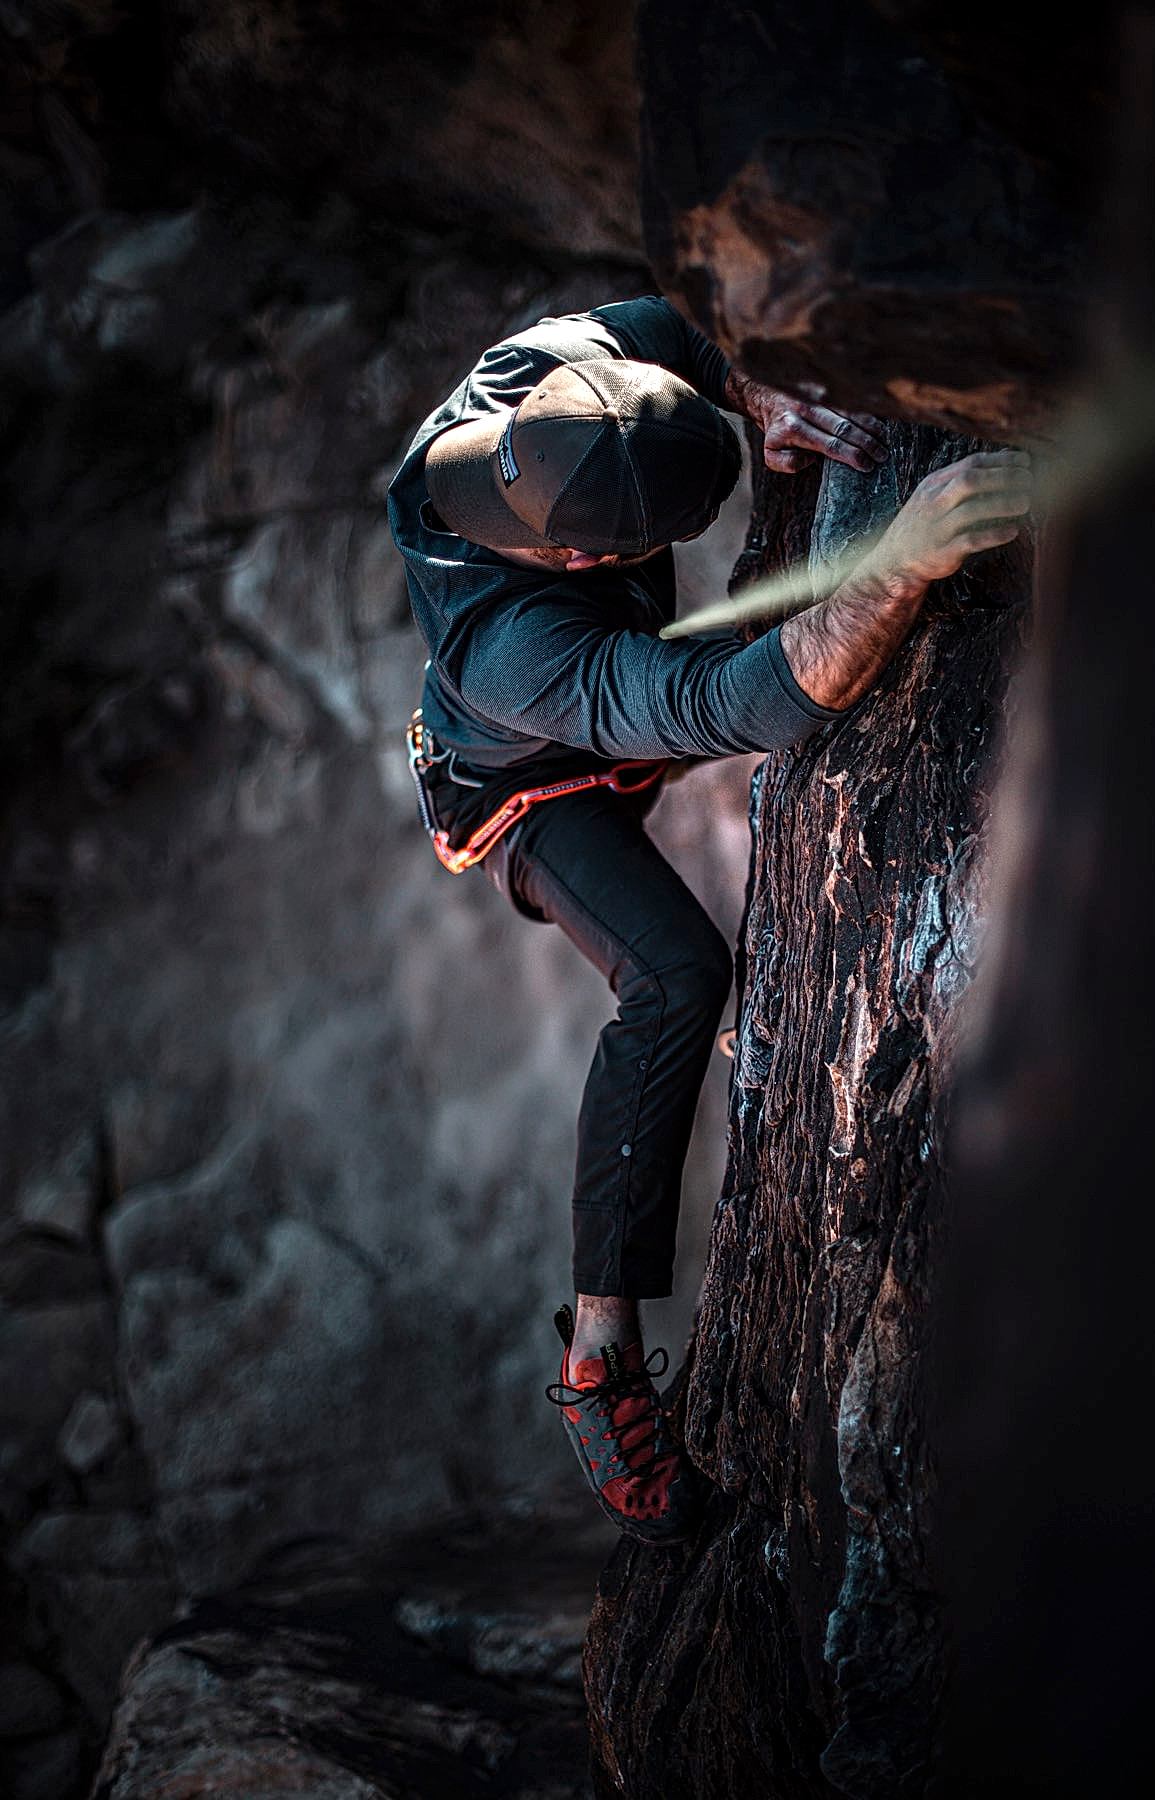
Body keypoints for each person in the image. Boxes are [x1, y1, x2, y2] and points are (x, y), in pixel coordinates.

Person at [386, 296, 1030, 1544]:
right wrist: (903, 561)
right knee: (675, 974)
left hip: (604, 683)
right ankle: (601, 1357)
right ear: (589, 562)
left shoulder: (536, 373)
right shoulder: (513, 652)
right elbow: (748, 705)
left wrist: (754, 389)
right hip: (527, 790)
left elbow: (677, 329)